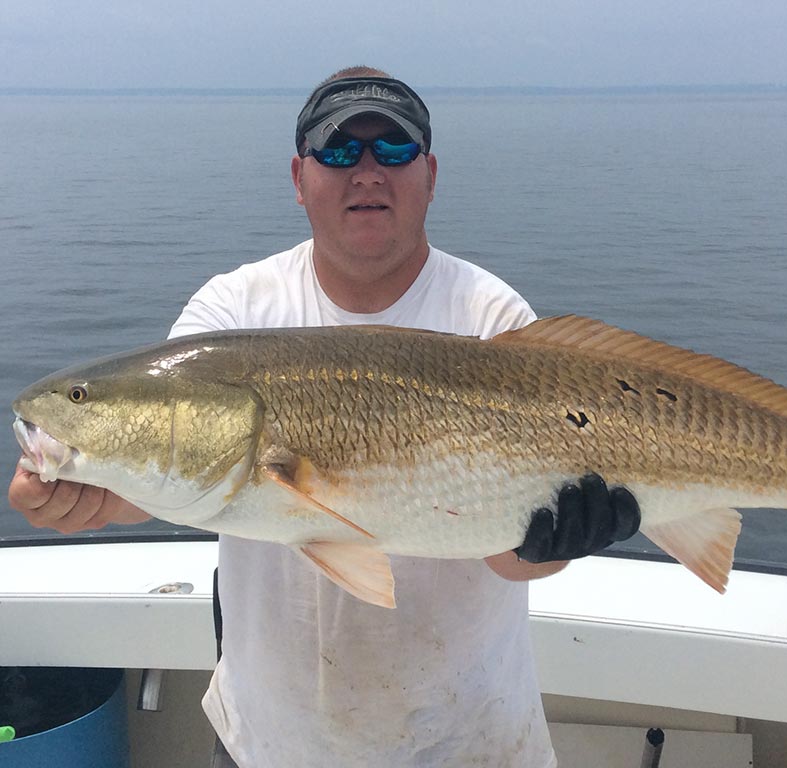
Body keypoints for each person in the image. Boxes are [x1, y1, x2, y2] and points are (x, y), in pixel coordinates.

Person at [8, 66, 640, 767]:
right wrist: (89, 497)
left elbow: (507, 556)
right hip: (272, 743)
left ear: (430, 174)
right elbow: (176, 479)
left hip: (470, 740)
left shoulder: (491, 320)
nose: (366, 171)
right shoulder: (233, 313)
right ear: (298, 177)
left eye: (392, 151)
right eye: (339, 152)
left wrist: (549, 546)